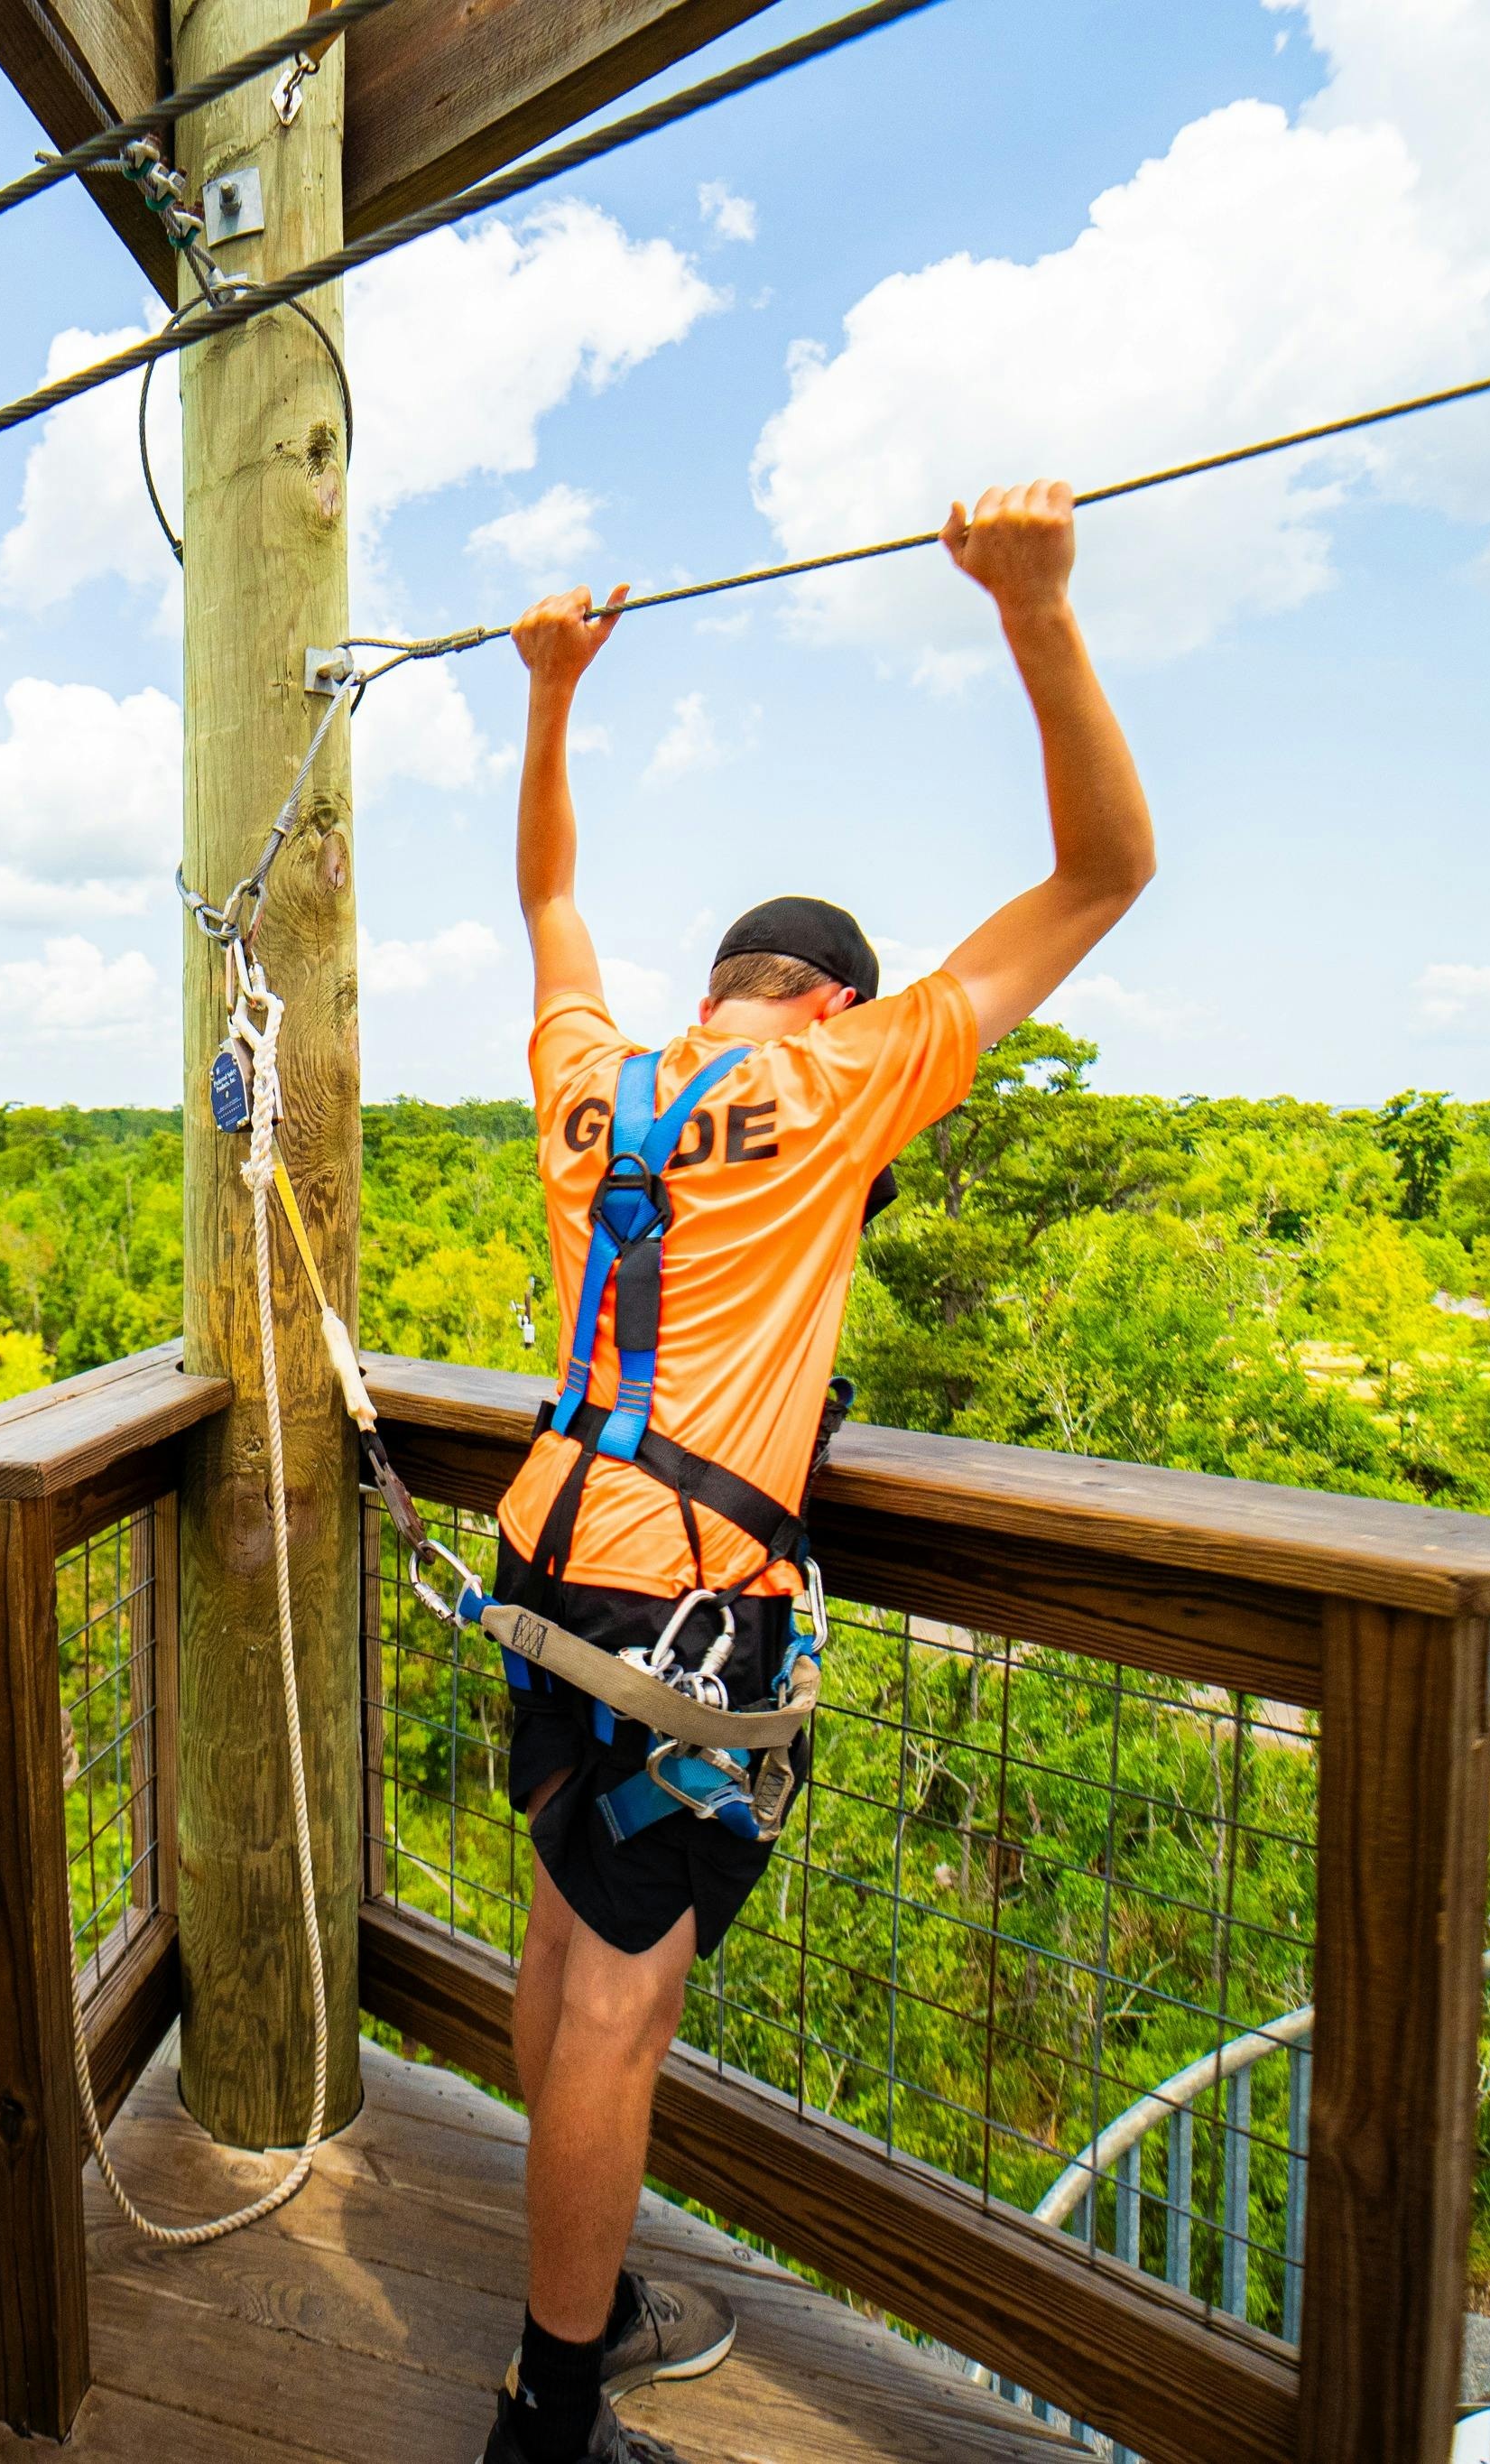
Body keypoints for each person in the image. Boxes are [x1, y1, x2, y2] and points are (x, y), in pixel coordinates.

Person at [478, 481, 1157, 2464]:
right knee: (622, 2005)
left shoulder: (594, 1077)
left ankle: (572, 2305)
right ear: (835, 1002)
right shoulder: (844, 1078)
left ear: (720, 985)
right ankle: (547, 2413)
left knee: (559, 1940)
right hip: (683, 1602)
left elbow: (548, 904)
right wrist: (1033, 603)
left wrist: (550, 694)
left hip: (544, 1553)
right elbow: (1105, 872)